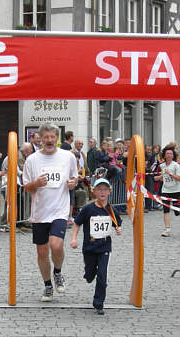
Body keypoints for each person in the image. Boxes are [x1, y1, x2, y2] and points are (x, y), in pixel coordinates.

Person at [23, 122, 78, 302]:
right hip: (40, 212)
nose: (49, 140)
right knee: (41, 252)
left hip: (60, 210)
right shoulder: (32, 160)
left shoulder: (67, 157)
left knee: (56, 245)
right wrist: (36, 184)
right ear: (40, 139)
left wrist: (73, 183)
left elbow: (74, 178)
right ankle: (47, 285)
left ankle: (58, 272)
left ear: (57, 138)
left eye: (52, 137)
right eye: (45, 137)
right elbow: (26, 187)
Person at [70, 178, 122, 315]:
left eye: (105, 189)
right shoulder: (88, 209)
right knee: (90, 274)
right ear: (94, 192)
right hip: (89, 247)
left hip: (104, 247)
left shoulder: (112, 210)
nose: (102, 192)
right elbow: (77, 223)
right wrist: (74, 239)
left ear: (109, 192)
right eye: (99, 189)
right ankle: (88, 274)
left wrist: (118, 229)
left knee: (102, 276)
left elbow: (118, 224)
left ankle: (99, 303)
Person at [154, 146, 180, 237]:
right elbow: (164, 176)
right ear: (164, 155)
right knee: (166, 210)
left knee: (178, 211)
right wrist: (159, 178)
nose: (169, 155)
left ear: (173, 156)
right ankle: (167, 229)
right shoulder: (162, 165)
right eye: (167, 154)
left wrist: (171, 174)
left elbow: (179, 178)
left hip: (176, 191)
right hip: (165, 190)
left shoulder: (176, 165)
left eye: (171, 154)